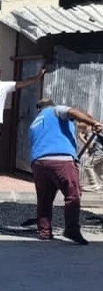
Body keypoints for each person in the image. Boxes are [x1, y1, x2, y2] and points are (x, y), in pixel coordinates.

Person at [27, 98, 103, 244]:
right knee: (73, 195)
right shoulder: (56, 110)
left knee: (44, 199)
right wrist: (93, 123)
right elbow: (72, 112)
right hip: (61, 159)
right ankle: (71, 229)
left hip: (38, 162)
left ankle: (44, 231)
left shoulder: (34, 123)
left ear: (38, 109)